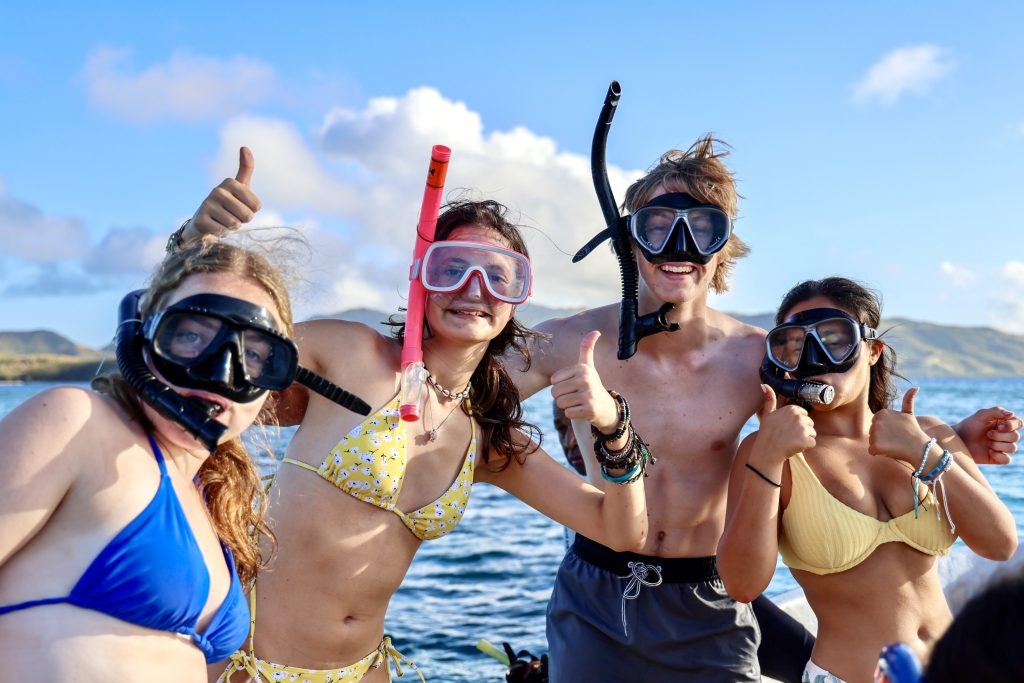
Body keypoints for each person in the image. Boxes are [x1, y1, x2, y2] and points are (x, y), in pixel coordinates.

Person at [507, 137, 1021, 682]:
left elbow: (843, 406)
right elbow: (462, 402)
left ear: (723, 246)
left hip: (709, 593)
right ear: (629, 237)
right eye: (657, 225)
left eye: (701, 228)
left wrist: (953, 438)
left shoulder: (760, 356)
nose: (677, 244)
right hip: (600, 591)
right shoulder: (567, 341)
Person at [183, 149, 649, 682]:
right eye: (453, 267)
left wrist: (614, 429)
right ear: (420, 278)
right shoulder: (349, 355)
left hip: (365, 670)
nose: (475, 288)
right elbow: (194, 360)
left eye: (500, 276)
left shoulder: (483, 437)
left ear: (516, 300)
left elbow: (622, 532)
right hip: (249, 666)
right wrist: (197, 245)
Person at [0, 238, 299, 682]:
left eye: (252, 354)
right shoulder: (78, 424)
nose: (220, 370)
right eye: (192, 336)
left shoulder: (209, 501)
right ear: (142, 339)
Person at [717, 276, 1018, 683]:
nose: (816, 356)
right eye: (796, 344)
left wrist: (924, 453)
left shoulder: (927, 433)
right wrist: (769, 458)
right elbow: (742, 585)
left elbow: (1000, 544)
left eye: (834, 338)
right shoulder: (773, 452)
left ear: (873, 350)